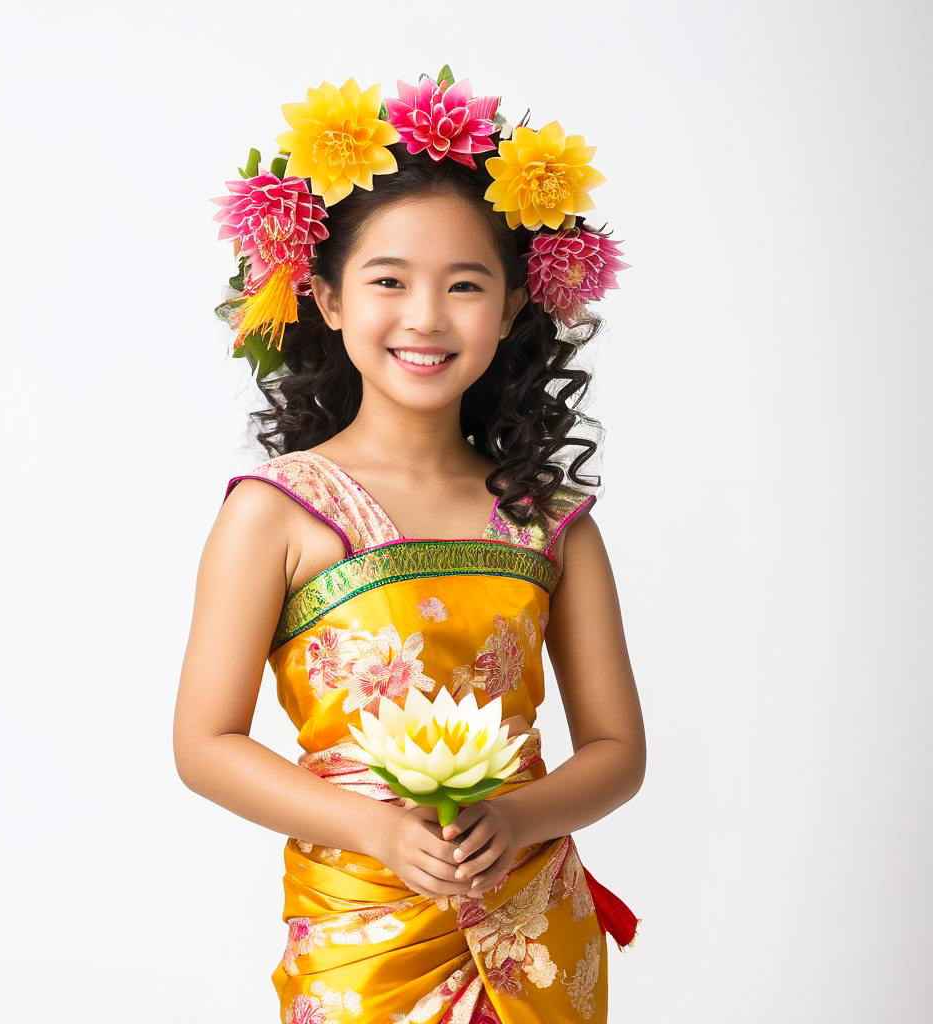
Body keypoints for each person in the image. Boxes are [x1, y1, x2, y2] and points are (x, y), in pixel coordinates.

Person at [173, 69, 645, 1023]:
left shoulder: (552, 517)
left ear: (511, 307)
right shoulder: (276, 511)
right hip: (364, 943)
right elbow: (204, 743)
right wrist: (373, 833)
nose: (426, 317)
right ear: (329, 298)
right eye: (389, 281)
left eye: (464, 285)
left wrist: (515, 818)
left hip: (534, 933)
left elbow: (617, 749)